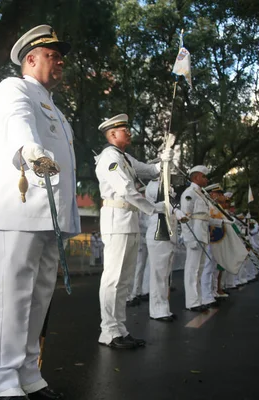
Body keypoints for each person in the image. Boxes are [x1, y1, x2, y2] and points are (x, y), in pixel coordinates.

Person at [0, 25, 80, 400]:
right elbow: (18, 123)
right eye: (53, 55)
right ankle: (5, 380)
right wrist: (31, 150)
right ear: (31, 58)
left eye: (60, 56)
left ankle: (28, 373)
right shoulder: (15, 88)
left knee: (39, 295)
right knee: (15, 294)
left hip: (48, 214)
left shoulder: (55, 108)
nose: (60, 62)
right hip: (18, 209)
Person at [94, 113, 171, 349]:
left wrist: (164, 161)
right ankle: (108, 331)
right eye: (124, 129)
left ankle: (119, 329)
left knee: (124, 280)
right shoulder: (110, 157)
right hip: (117, 221)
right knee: (113, 278)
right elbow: (127, 189)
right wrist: (153, 208)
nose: (129, 132)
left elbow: (148, 170)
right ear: (112, 134)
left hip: (129, 220)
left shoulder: (124, 157)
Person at [180, 166, 226, 312]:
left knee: (199, 270)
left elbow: (205, 217)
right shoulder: (189, 193)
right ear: (196, 177)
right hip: (195, 236)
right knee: (192, 269)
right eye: (204, 177)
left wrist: (222, 223)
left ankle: (198, 300)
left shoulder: (201, 194)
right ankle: (192, 302)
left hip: (202, 235)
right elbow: (185, 218)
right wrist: (189, 238)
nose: (206, 179)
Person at [145, 180, 186, 322]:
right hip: (158, 232)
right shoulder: (153, 186)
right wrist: (176, 209)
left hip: (168, 234)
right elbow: (164, 199)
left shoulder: (169, 186)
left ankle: (163, 308)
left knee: (165, 274)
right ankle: (157, 310)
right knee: (158, 274)